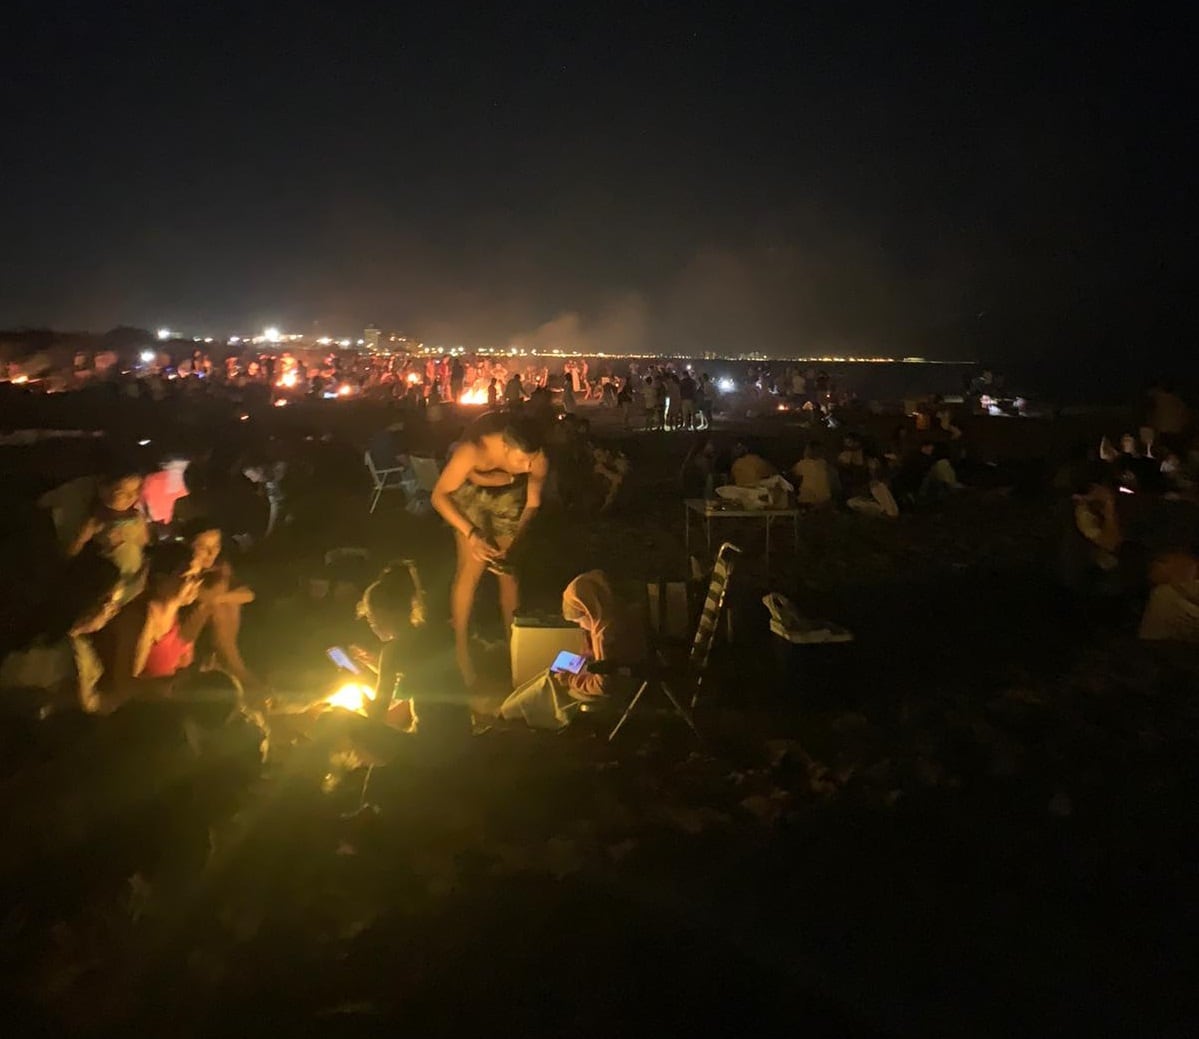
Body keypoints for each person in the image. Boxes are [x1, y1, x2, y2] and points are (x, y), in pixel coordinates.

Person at [431, 411, 549, 686]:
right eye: (521, 460)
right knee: (470, 569)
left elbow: (533, 503)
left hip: (508, 494)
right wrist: (471, 533)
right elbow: (439, 495)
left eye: (530, 460)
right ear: (505, 447)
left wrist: (516, 543)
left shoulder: (537, 459)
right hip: (469, 489)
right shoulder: (475, 449)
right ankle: (460, 652)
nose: (527, 466)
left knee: (508, 571)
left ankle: (515, 650)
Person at [499, 570, 645, 730]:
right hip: (621, 680)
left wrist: (570, 680)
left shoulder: (606, 634)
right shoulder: (614, 615)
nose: (581, 626)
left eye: (580, 620)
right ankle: (511, 711)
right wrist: (583, 660)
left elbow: (604, 685)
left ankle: (510, 713)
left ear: (589, 611)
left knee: (551, 683)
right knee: (553, 673)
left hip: (616, 690)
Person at [0, 553, 123, 716]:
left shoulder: (66, 637)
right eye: (113, 603)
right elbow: (84, 709)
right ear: (93, 601)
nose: (115, 611)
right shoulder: (61, 658)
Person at [92, 541, 207, 710]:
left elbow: (183, 666)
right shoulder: (142, 617)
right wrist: (177, 682)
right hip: (132, 712)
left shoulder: (178, 613)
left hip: (161, 706)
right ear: (161, 578)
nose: (196, 584)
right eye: (188, 576)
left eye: (198, 576)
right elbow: (125, 687)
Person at [181, 519, 259, 690]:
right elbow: (202, 598)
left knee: (222, 602)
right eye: (203, 547)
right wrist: (217, 597)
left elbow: (248, 595)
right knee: (215, 606)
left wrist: (220, 597)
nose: (211, 553)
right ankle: (237, 670)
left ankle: (232, 665)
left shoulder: (219, 568)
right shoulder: (181, 570)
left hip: (213, 635)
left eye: (216, 546)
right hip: (181, 638)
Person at [350, 560, 428, 730]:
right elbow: (411, 677)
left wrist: (359, 692)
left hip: (426, 744)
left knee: (332, 718)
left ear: (385, 614)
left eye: (371, 617)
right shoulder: (425, 637)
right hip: (459, 736)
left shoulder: (392, 651)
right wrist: (375, 664)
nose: (371, 624)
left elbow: (376, 714)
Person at [65, 463, 151, 605]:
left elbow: (143, 543)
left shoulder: (136, 516)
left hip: (135, 576)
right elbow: (73, 550)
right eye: (121, 492)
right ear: (103, 490)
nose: (130, 497)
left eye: (136, 491)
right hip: (113, 582)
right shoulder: (98, 520)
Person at [790, 441, 836, 508]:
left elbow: (792, 474)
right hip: (825, 499)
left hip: (807, 500)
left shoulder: (802, 464)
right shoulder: (825, 464)